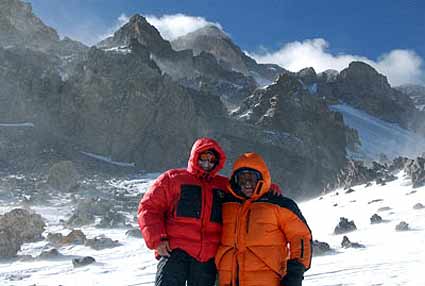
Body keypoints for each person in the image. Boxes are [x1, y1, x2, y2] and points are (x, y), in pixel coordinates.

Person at [138, 137, 228, 286]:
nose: (207, 164)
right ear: (195, 156)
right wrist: (157, 240)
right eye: (203, 158)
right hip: (174, 252)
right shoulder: (173, 179)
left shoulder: (224, 186)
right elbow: (149, 208)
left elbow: (249, 190)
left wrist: (270, 190)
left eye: (212, 160)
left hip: (207, 258)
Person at [215, 152, 312, 286]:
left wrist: (295, 272)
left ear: (262, 177)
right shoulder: (226, 204)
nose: (247, 184)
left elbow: (301, 237)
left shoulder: (279, 205)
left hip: (268, 280)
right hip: (228, 280)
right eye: (242, 179)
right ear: (235, 181)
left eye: (252, 179)